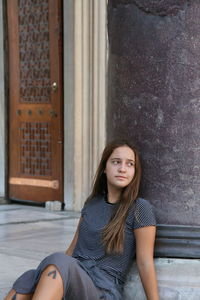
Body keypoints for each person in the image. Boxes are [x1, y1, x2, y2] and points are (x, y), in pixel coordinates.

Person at [5, 139, 159, 300]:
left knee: (58, 262)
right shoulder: (92, 203)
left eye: (130, 164)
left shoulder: (140, 208)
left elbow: (145, 262)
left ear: (135, 171)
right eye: (116, 162)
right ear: (104, 168)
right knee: (31, 276)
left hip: (102, 290)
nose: (122, 169)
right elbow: (72, 250)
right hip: (76, 278)